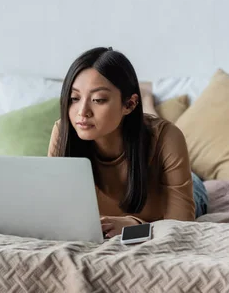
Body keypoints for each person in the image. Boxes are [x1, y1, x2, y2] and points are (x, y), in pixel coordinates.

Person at [47, 47, 208, 238]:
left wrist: (134, 225)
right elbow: (55, 214)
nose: (82, 112)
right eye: (74, 98)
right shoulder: (63, 132)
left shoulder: (168, 137)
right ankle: (147, 105)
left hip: (190, 188)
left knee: (178, 156)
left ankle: (148, 104)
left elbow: (181, 226)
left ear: (129, 104)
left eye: (98, 99)